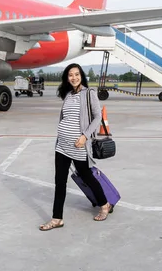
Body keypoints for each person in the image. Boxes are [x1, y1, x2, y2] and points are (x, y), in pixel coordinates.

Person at [39, 63, 112, 231]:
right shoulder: (68, 95)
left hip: (79, 145)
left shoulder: (89, 93)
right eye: (70, 75)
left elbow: (97, 117)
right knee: (60, 182)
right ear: (67, 77)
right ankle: (57, 218)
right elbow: (65, 117)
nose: (74, 77)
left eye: (76, 74)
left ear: (81, 76)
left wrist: (84, 136)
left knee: (87, 177)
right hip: (62, 145)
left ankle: (104, 204)